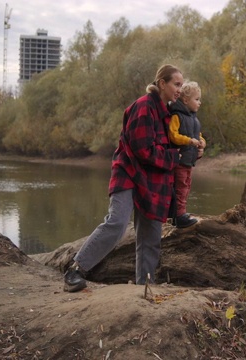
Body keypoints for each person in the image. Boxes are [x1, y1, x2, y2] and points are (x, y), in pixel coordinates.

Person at [63, 64, 184, 292]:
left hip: (152, 180)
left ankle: (144, 287)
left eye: (182, 85)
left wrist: (190, 150)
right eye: (176, 84)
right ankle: (75, 271)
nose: (180, 89)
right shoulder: (143, 107)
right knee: (117, 222)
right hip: (128, 173)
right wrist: (173, 156)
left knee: (151, 233)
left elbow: (173, 145)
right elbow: (143, 149)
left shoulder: (168, 114)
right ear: (162, 84)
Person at [168, 81, 206, 228]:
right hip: (180, 159)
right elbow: (173, 135)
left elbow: (199, 135)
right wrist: (189, 141)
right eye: (196, 99)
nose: (199, 102)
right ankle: (179, 215)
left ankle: (179, 214)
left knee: (186, 186)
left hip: (189, 160)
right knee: (181, 186)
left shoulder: (193, 118)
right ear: (185, 100)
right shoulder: (177, 116)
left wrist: (202, 142)